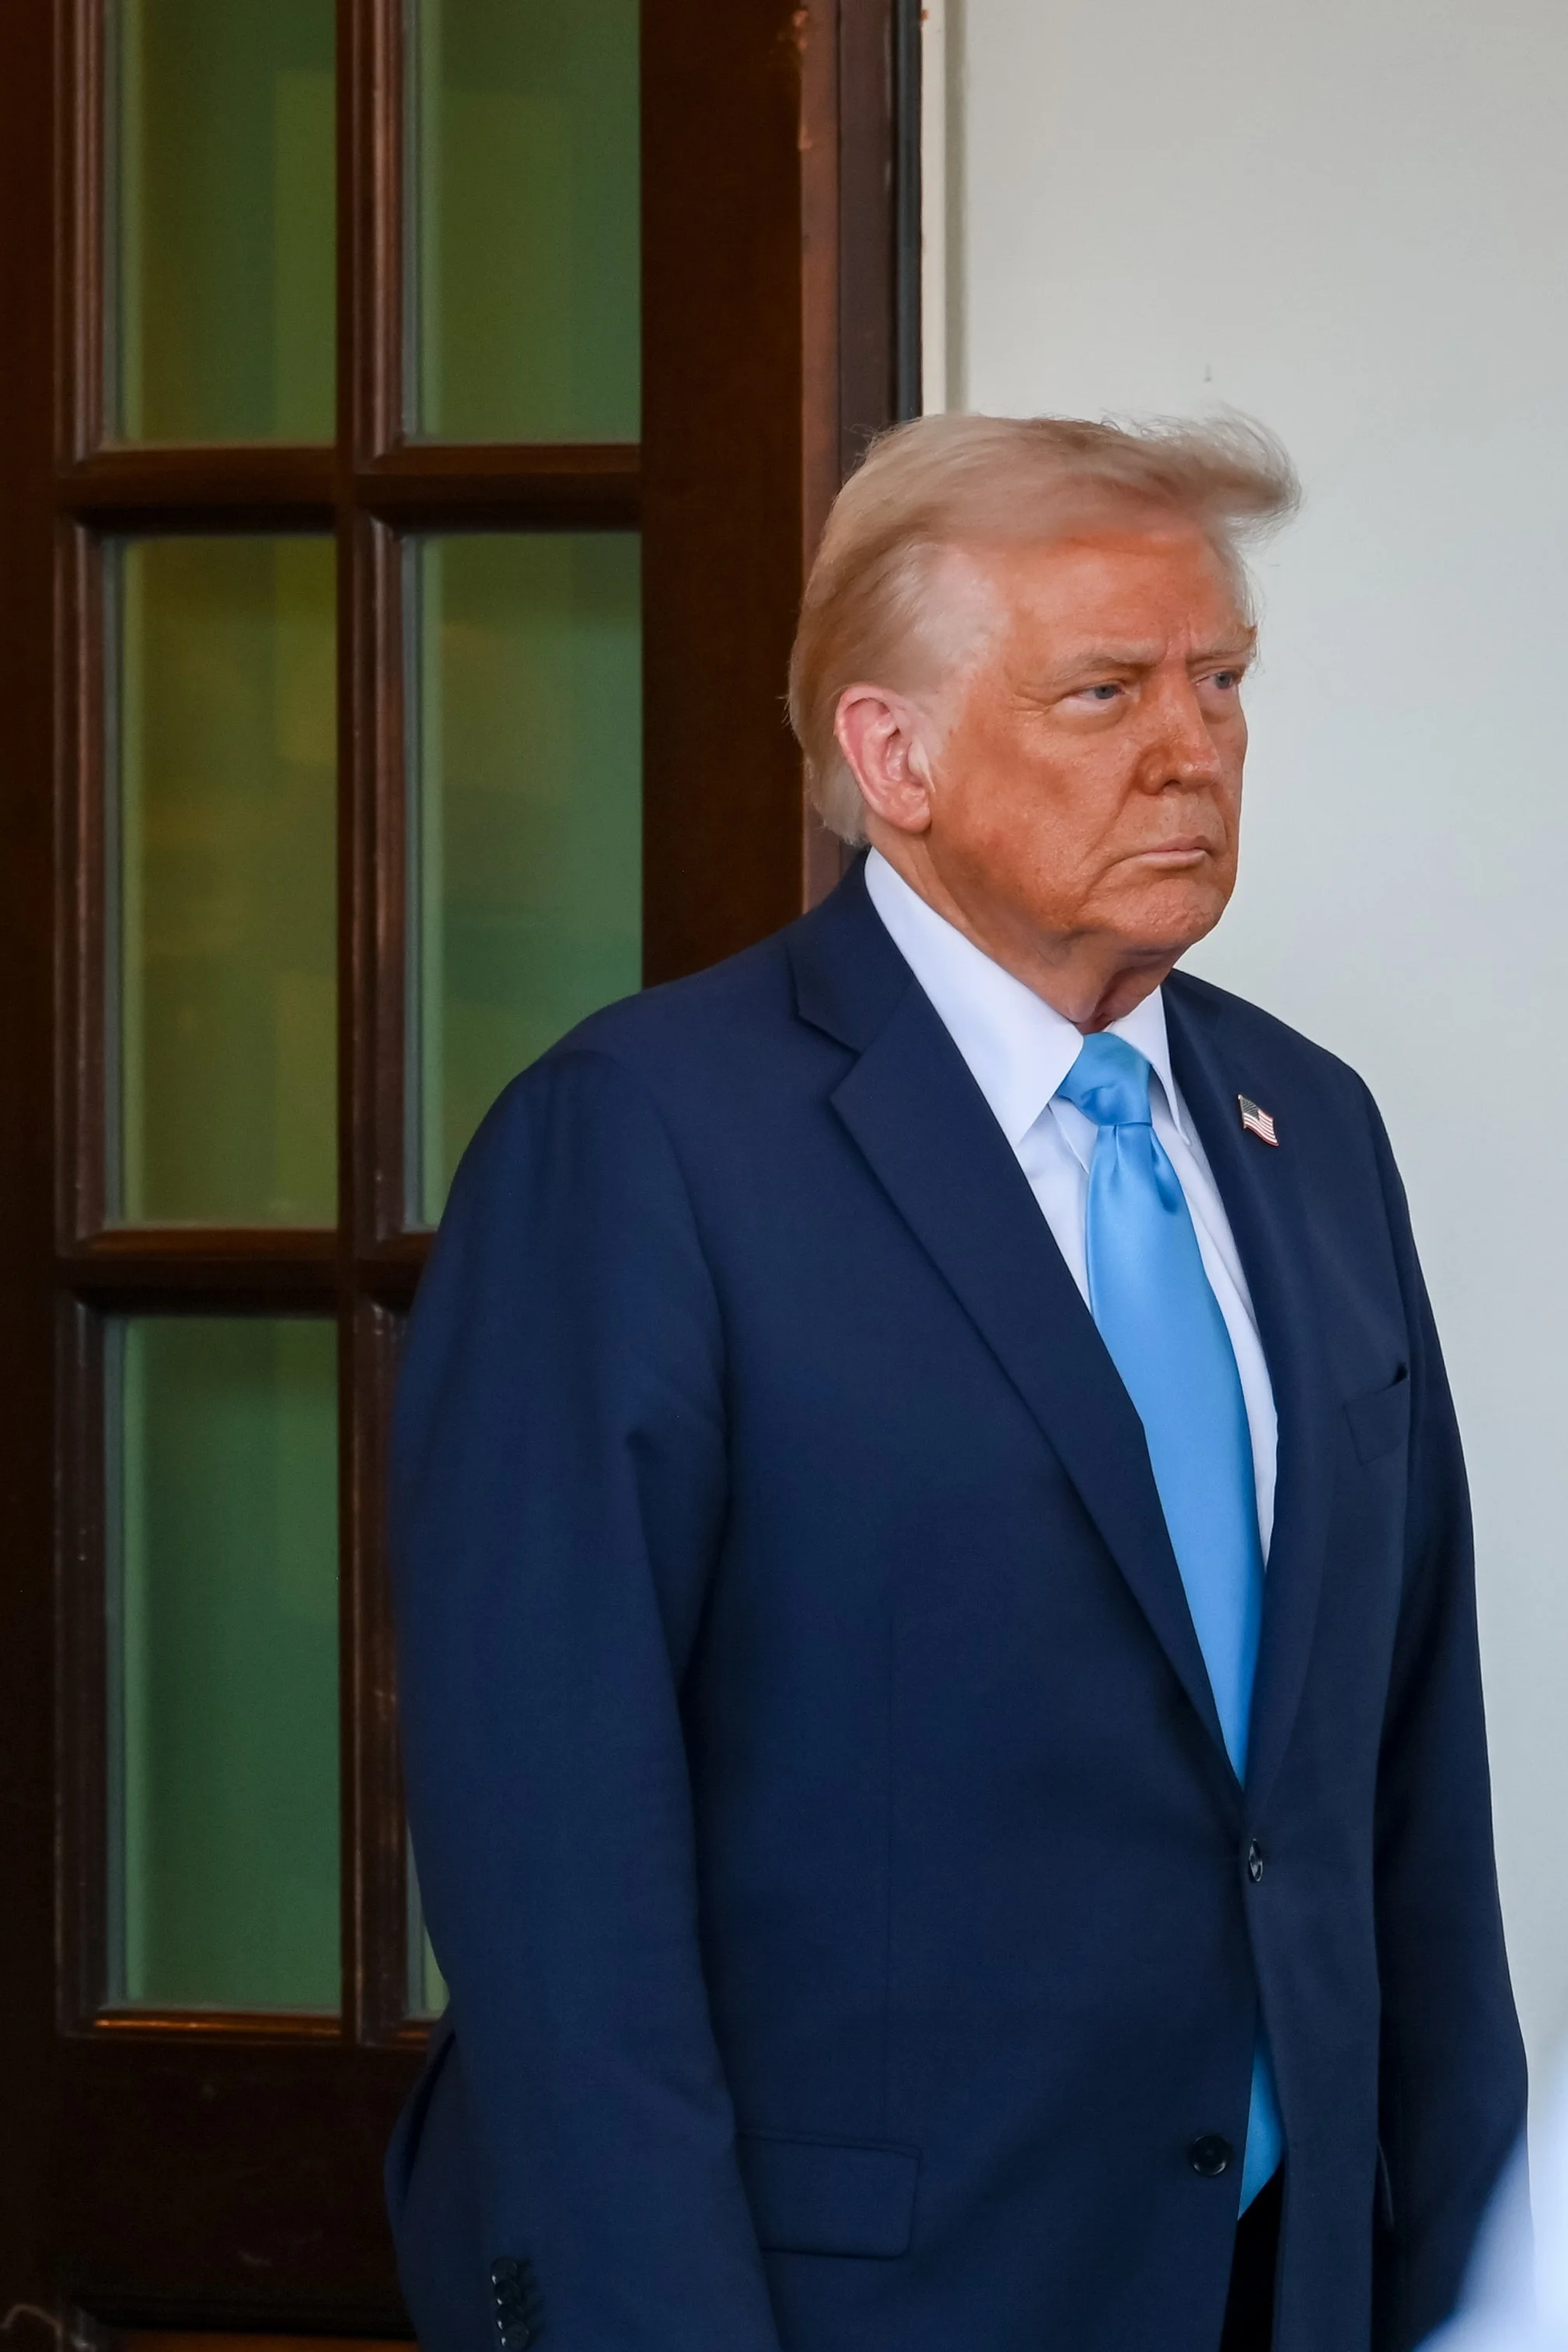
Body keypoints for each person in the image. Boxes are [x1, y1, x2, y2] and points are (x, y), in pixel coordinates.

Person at [384, 414, 1524, 2352]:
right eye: (1107, 690)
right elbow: (555, 1868)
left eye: (1221, 681)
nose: (1195, 747)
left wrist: (1456, 2275)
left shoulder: (1308, 1129)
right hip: (861, 2299)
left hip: (1296, 2281)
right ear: (887, 755)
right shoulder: (643, 1143)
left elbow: (1407, 1778)